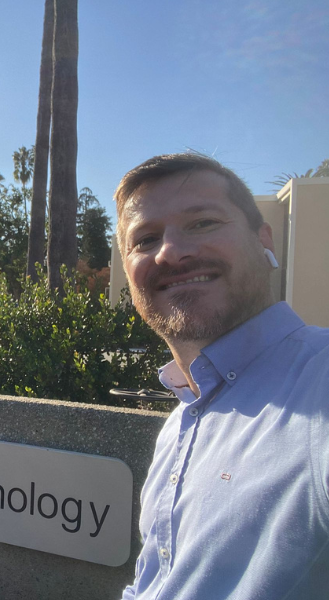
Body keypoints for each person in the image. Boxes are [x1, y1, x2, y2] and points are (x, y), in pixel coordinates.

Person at [115, 153, 329, 599]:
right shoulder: (180, 422)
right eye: (146, 239)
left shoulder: (319, 384)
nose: (171, 252)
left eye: (203, 223)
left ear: (263, 240)